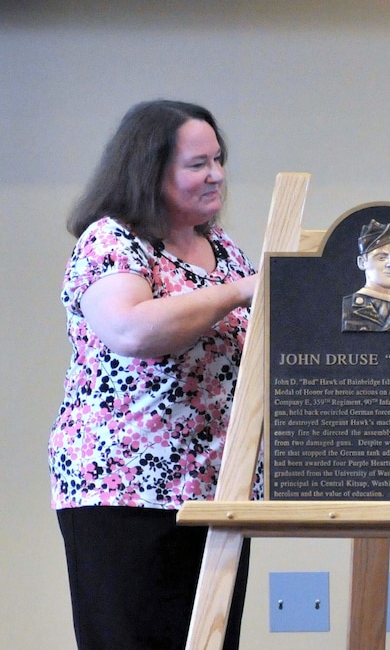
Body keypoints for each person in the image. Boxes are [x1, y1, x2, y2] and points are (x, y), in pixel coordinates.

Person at [48, 100, 259, 650]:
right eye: (197, 164)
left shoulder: (225, 251)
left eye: (218, 159)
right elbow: (132, 332)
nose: (216, 174)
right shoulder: (112, 240)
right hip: (123, 489)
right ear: (149, 169)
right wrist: (239, 291)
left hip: (215, 490)